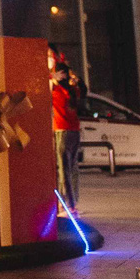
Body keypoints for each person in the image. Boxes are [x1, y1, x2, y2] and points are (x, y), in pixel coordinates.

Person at [51, 57, 82, 208]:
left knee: (63, 170)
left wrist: (50, 77)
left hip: (62, 132)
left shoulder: (56, 92)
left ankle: (66, 204)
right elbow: (83, 88)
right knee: (73, 167)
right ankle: (73, 202)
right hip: (75, 132)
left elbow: (36, 84)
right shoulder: (73, 91)